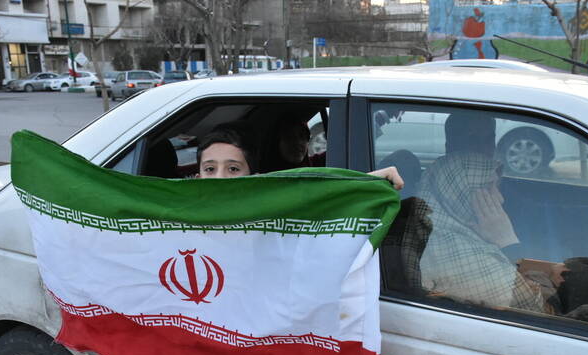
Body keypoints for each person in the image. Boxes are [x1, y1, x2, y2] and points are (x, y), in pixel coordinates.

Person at [417, 111, 545, 312]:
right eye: (473, 140)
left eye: (488, 140)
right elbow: (534, 306)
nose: (500, 198)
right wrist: (507, 241)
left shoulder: (440, 203)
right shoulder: (461, 257)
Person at [196, 122, 404, 189]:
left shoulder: (270, 203)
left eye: (233, 169)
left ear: (253, 177)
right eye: (210, 169)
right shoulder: (179, 216)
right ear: (197, 178)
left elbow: (327, 192)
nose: (219, 179)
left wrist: (371, 182)